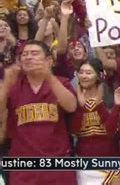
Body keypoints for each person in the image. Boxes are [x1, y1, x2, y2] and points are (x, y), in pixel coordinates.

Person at [0, 40, 77, 184]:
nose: (28, 57)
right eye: (24, 54)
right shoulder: (13, 86)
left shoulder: (60, 82)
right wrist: (6, 85)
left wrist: (49, 76)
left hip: (58, 163)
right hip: (23, 165)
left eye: (34, 54)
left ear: (48, 60)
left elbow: (71, 106)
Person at [71, 59, 120, 184]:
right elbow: (74, 130)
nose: (84, 76)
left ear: (99, 76)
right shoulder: (73, 100)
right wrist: (81, 105)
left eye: (88, 72)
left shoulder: (110, 99)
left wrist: (99, 104)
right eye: (81, 72)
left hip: (111, 165)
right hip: (85, 166)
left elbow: (112, 131)